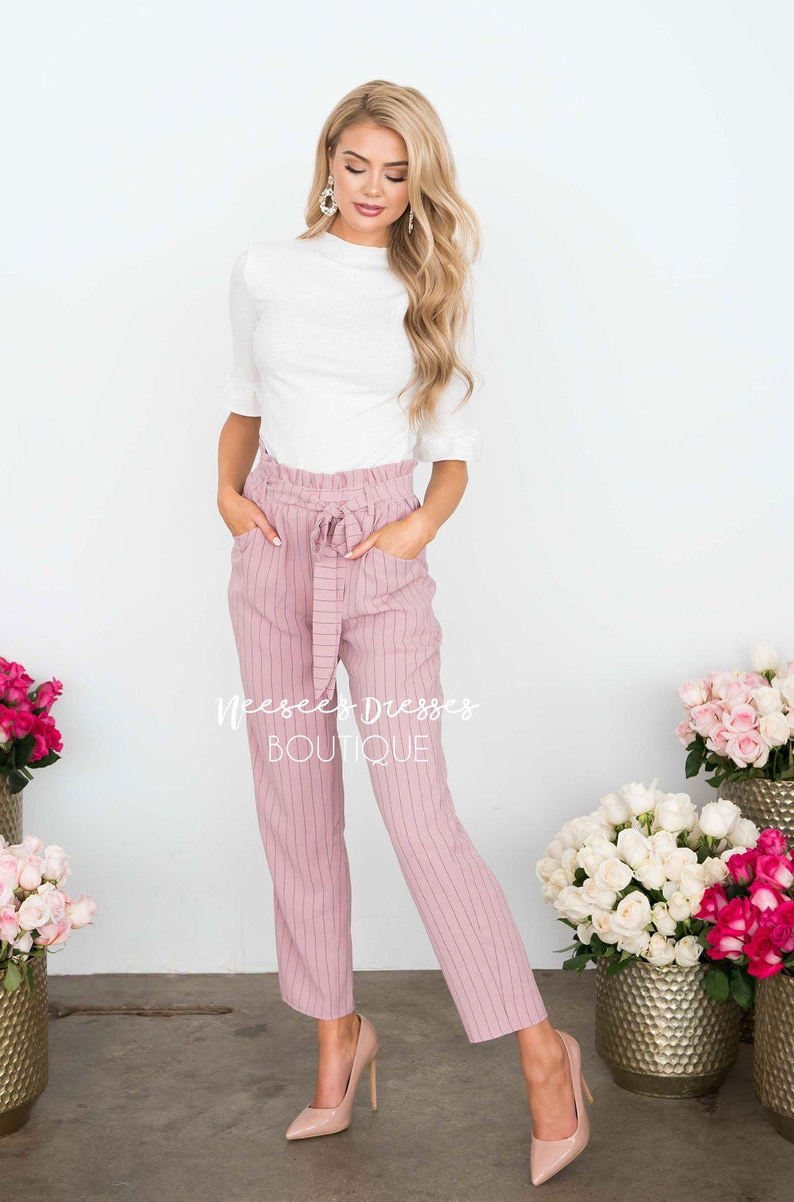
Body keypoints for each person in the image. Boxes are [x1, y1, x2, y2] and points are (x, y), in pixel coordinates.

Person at [216, 79, 592, 1186]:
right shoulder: (263, 270)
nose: (374, 188)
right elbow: (243, 401)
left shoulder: (429, 282)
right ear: (326, 160)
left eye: (396, 171)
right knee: (295, 806)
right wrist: (229, 498)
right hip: (275, 544)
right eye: (357, 164)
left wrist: (412, 531)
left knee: (418, 816)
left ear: (417, 179)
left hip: (379, 551)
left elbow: (452, 456)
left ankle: (543, 1055)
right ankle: (337, 1038)